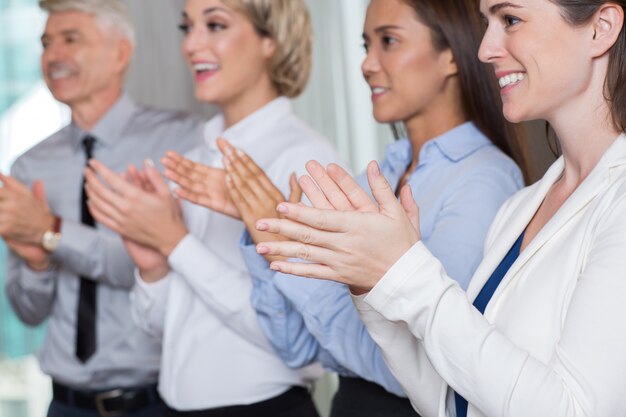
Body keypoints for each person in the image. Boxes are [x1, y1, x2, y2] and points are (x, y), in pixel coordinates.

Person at [252, 0, 626, 416]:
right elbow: (450, 400)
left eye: (511, 20)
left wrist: (406, 271)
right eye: (488, 23)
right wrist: (372, 279)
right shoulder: (520, 209)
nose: (484, 49)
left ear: (601, 28)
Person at [161, 0, 525, 415]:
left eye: (388, 41)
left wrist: (278, 235)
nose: (367, 64)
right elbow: (296, 347)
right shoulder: (377, 176)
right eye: (365, 44)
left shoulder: (483, 180)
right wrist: (266, 228)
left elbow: (427, 369)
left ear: (451, 56)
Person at [83, 0, 341, 415]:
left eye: (215, 24)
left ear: (270, 39)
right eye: (188, 27)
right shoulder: (195, 157)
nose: (192, 44)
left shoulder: (307, 162)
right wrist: (155, 265)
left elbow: (305, 346)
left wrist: (178, 243)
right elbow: (165, 328)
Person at [0, 0, 204, 416]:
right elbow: (28, 311)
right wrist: (39, 263)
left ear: (119, 54)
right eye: (45, 42)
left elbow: (169, 269)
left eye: (70, 39)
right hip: (65, 404)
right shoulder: (30, 165)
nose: (52, 55)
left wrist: (52, 231)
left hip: (159, 402)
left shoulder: (180, 145)